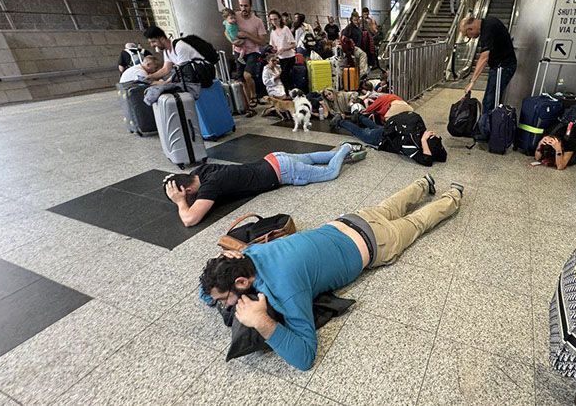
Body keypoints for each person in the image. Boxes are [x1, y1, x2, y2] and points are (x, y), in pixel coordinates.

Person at [198, 174, 464, 370]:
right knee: (389, 206)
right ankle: (423, 183)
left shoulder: (285, 290)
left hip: (378, 242)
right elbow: (207, 290)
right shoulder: (250, 254)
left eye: (224, 300)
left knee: (416, 222)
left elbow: (305, 357)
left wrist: (262, 323)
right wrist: (223, 262)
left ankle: (454, 196)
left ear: (242, 281)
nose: (224, 305)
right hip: (349, 220)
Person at [164, 143, 367, 227]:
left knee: (329, 173)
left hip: (283, 171)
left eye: (187, 195)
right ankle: (345, 153)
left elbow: (190, 219)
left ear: (188, 190)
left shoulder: (210, 187)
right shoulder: (200, 171)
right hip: (274, 158)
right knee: (312, 157)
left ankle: (346, 147)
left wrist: (181, 202)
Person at [332, 109, 447, 167]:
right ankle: (340, 122)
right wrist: (423, 142)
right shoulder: (411, 145)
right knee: (361, 133)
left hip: (390, 132)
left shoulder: (419, 132)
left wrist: (425, 138)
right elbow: (427, 162)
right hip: (383, 139)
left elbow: (443, 156)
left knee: (377, 127)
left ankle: (360, 117)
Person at [460, 16, 517, 115]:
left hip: (503, 67)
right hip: (499, 67)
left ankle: (489, 128)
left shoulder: (488, 29)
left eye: (469, 35)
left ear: (470, 28)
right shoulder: (488, 23)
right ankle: (488, 126)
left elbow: (484, 57)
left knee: (490, 102)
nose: (472, 37)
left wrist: (472, 82)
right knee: (489, 100)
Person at [233, 0, 269, 102]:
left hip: (253, 51)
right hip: (238, 51)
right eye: (241, 6)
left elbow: (262, 41)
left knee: (247, 75)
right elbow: (226, 31)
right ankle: (249, 104)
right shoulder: (235, 17)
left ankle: (254, 94)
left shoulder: (257, 21)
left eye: (246, 6)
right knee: (241, 80)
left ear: (251, 6)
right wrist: (233, 41)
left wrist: (247, 35)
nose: (244, 8)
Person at [268, 10, 297, 94]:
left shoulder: (285, 29)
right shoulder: (273, 32)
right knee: (285, 76)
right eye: (271, 19)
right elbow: (273, 46)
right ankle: (289, 93)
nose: (274, 21)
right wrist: (273, 51)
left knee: (284, 75)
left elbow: (294, 44)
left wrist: (284, 48)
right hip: (281, 57)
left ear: (280, 19)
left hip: (289, 56)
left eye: (275, 19)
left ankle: (290, 93)